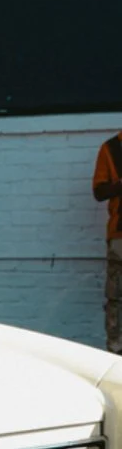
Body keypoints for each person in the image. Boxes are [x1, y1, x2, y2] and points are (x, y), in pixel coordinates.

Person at [92, 131, 122, 352]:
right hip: (120, 237)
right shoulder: (111, 148)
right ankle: (116, 352)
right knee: (116, 299)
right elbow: (99, 191)